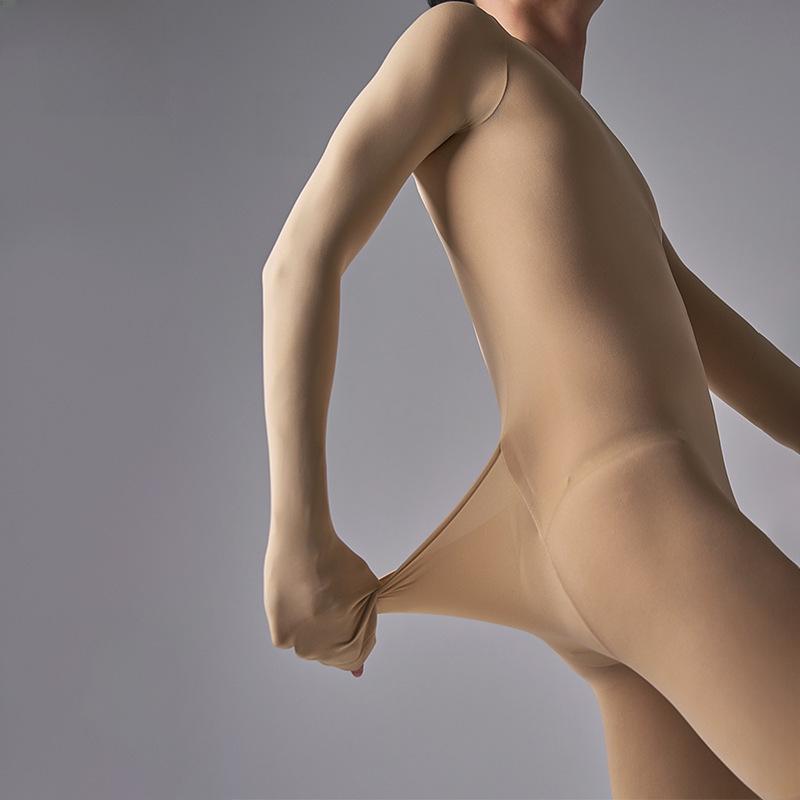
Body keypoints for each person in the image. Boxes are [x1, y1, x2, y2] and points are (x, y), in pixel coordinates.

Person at [260, 1, 800, 797]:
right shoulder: (461, 40)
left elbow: (760, 379)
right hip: (641, 519)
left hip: (607, 546)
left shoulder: (592, 148)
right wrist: (298, 538)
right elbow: (298, 257)